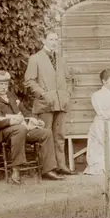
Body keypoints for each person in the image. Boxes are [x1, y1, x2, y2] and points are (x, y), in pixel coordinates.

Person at [0, 70, 65, 184]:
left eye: (6, 83)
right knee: (20, 129)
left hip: (20, 130)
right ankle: (16, 170)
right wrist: (11, 121)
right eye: (1, 84)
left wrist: (35, 120)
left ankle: (48, 170)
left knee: (46, 132)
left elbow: (25, 112)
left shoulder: (11, 95)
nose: (5, 87)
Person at [24, 31, 77, 176]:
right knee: (45, 135)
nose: (54, 42)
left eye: (56, 39)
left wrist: (67, 94)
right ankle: (48, 169)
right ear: (43, 40)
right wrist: (43, 94)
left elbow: (68, 79)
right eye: (51, 39)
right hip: (44, 104)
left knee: (59, 135)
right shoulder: (35, 59)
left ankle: (61, 165)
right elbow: (29, 81)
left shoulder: (60, 59)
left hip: (61, 103)